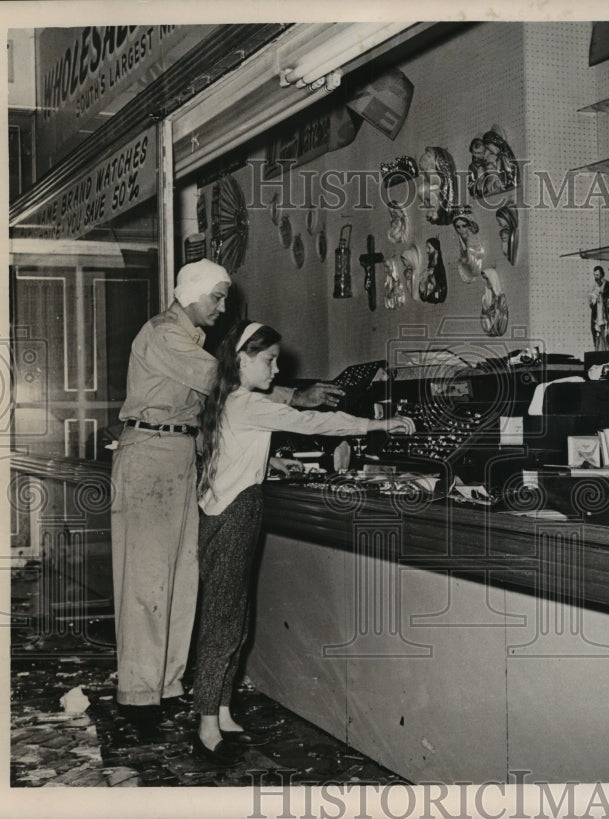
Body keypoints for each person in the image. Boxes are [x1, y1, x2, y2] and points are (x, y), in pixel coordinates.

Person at [110, 259, 343, 740]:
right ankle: (137, 696)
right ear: (191, 292)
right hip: (150, 453)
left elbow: (217, 414)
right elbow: (221, 381)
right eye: (216, 297)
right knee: (147, 580)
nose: (221, 306)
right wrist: (294, 398)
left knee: (181, 579)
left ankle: (168, 685)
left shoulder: (191, 339)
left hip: (182, 454)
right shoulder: (163, 334)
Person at [191, 320, 414, 764]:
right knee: (224, 617)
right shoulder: (247, 405)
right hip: (235, 513)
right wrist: (379, 423)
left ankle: (220, 707)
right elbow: (312, 420)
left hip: (233, 509)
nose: (276, 369)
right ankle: (206, 721)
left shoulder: (231, 401)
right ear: (243, 360)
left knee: (235, 612)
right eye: (269, 360)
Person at [588, 266, 609, 348]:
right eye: (594, 275)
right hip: (596, 315)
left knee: (604, 337)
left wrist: (600, 295)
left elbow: (607, 299)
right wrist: (592, 301)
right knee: (596, 336)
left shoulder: (607, 285)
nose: (595, 277)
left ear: (602, 275)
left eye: (597, 275)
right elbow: (592, 303)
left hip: (604, 317)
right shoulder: (595, 286)